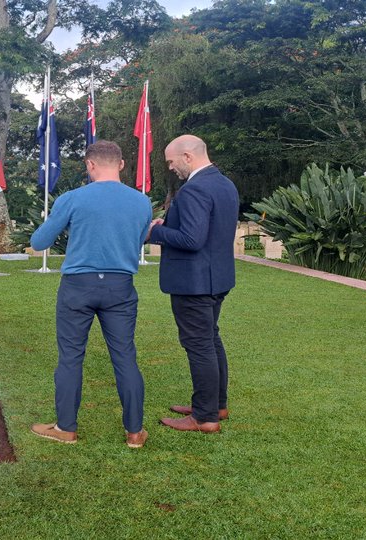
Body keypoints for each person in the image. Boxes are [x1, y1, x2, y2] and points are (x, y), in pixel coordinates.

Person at [29, 140, 153, 449]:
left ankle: (66, 428)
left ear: (90, 165)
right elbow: (138, 242)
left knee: (71, 358)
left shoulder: (72, 198)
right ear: (121, 164)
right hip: (120, 286)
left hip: (78, 287)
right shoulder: (141, 202)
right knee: (125, 356)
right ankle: (135, 432)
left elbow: (40, 242)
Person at [146, 134, 238, 434]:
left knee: (199, 346)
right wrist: (168, 225)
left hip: (194, 283)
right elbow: (206, 231)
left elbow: (192, 239)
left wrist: (155, 234)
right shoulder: (224, 183)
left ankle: (204, 417)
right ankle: (216, 405)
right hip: (217, 277)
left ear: (188, 156)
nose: (170, 167)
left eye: (171, 161)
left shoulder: (194, 190)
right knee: (211, 341)